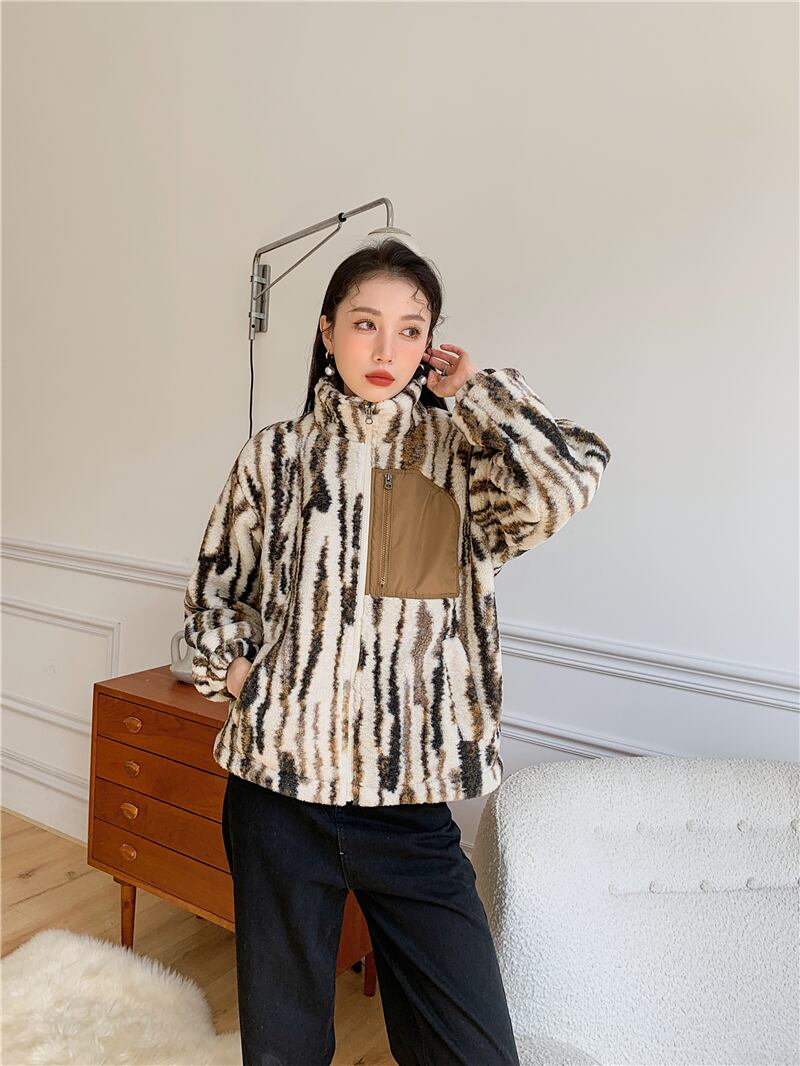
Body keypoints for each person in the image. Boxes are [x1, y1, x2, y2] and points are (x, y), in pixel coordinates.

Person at [183, 238, 612, 1066]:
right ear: (327, 331)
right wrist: (244, 678)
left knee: (472, 1050)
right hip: (279, 795)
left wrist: (480, 395)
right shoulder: (274, 456)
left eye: (410, 330)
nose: (386, 348)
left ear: (432, 345)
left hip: (409, 805)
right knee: (282, 1048)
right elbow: (215, 595)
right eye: (365, 323)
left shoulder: (462, 457)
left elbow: (564, 485)